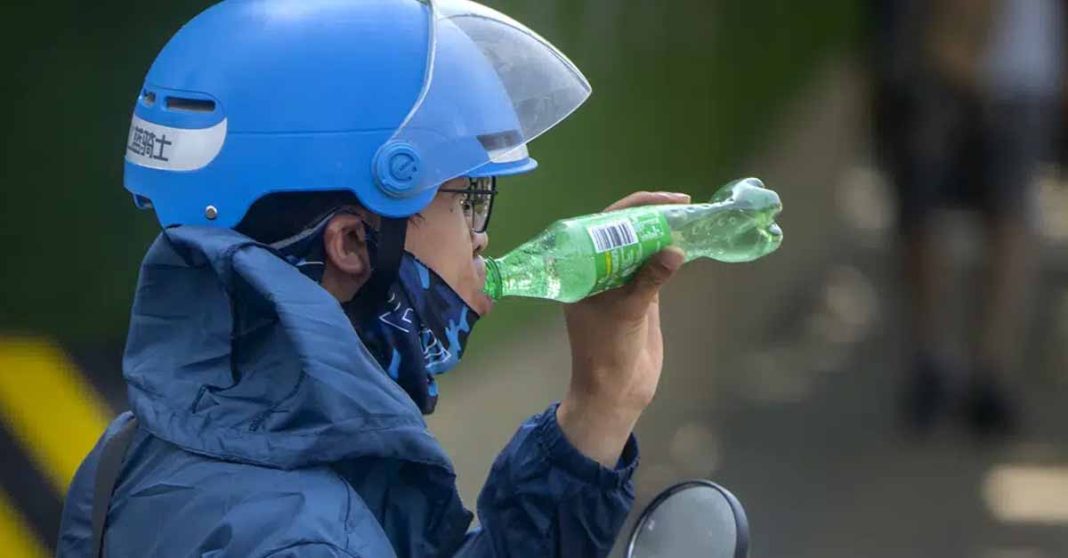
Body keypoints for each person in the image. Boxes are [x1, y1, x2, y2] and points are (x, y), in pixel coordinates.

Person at [55, 0, 690, 556]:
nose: (481, 237)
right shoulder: (297, 538)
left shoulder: (153, 444)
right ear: (355, 243)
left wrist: (603, 399)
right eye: (468, 199)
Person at [872, 0, 1064, 436]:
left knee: (1009, 221)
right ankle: (932, 362)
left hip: (1021, 71)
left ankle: (990, 372)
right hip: (935, 58)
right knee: (922, 218)